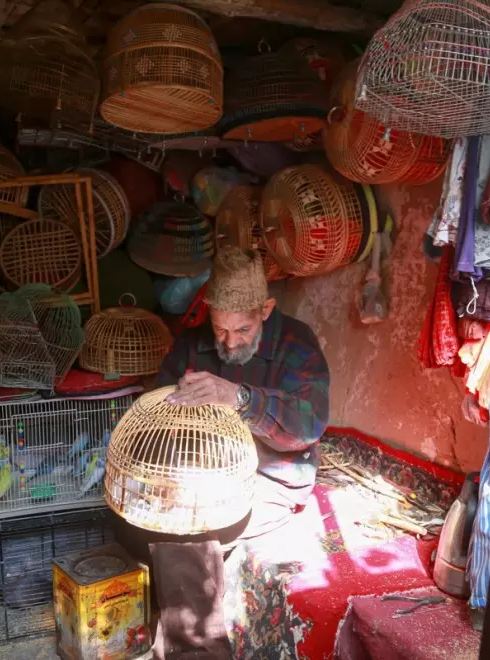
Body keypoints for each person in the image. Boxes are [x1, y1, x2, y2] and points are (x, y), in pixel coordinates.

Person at [114, 247, 330, 659]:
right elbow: (157, 403)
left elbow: (310, 424)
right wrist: (175, 405)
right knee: (135, 515)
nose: (229, 344)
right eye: (220, 329)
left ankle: (195, 653)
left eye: (243, 330)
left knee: (192, 531)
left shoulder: (296, 342)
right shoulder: (194, 344)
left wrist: (242, 398)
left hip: (272, 475)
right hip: (201, 473)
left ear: (265, 309)